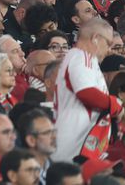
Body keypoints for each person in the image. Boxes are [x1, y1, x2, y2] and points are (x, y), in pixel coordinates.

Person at [52, 18, 121, 162]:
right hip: (73, 144)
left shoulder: (86, 60)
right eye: (108, 43)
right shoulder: (82, 56)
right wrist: (116, 105)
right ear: (96, 38)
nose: (109, 50)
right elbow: (87, 93)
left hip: (79, 142)